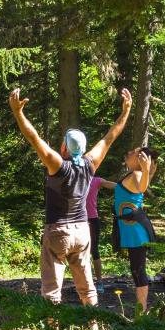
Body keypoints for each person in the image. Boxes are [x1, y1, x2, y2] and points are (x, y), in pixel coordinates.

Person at [9, 87, 132, 307]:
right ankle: (93, 326)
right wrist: (126, 111)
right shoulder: (90, 163)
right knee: (87, 288)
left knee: (51, 290)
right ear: (83, 148)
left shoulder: (57, 165)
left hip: (58, 231)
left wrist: (18, 113)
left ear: (64, 146)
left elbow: (34, 138)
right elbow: (110, 137)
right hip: (82, 231)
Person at [114, 147, 158, 313]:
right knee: (136, 269)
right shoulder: (132, 175)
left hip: (136, 231)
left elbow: (141, 189)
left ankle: (142, 312)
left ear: (140, 159)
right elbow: (123, 190)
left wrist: (146, 170)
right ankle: (142, 310)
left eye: (132, 152)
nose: (128, 153)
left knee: (138, 270)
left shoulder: (138, 175)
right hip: (132, 229)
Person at [86, 174, 116, 295]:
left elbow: (114, 185)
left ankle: (99, 281)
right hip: (77, 219)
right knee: (78, 252)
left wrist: (131, 184)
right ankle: (85, 282)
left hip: (92, 219)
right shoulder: (75, 179)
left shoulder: (96, 180)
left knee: (94, 250)